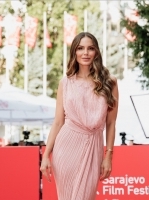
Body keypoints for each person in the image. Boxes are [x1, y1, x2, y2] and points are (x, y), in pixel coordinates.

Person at [40, 32, 119, 200]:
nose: (85, 53)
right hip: (66, 148)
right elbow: (58, 121)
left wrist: (108, 156)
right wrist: (46, 155)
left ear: (96, 52)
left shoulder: (109, 82)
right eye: (80, 48)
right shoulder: (66, 82)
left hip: (93, 147)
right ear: (74, 52)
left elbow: (111, 123)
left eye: (90, 48)